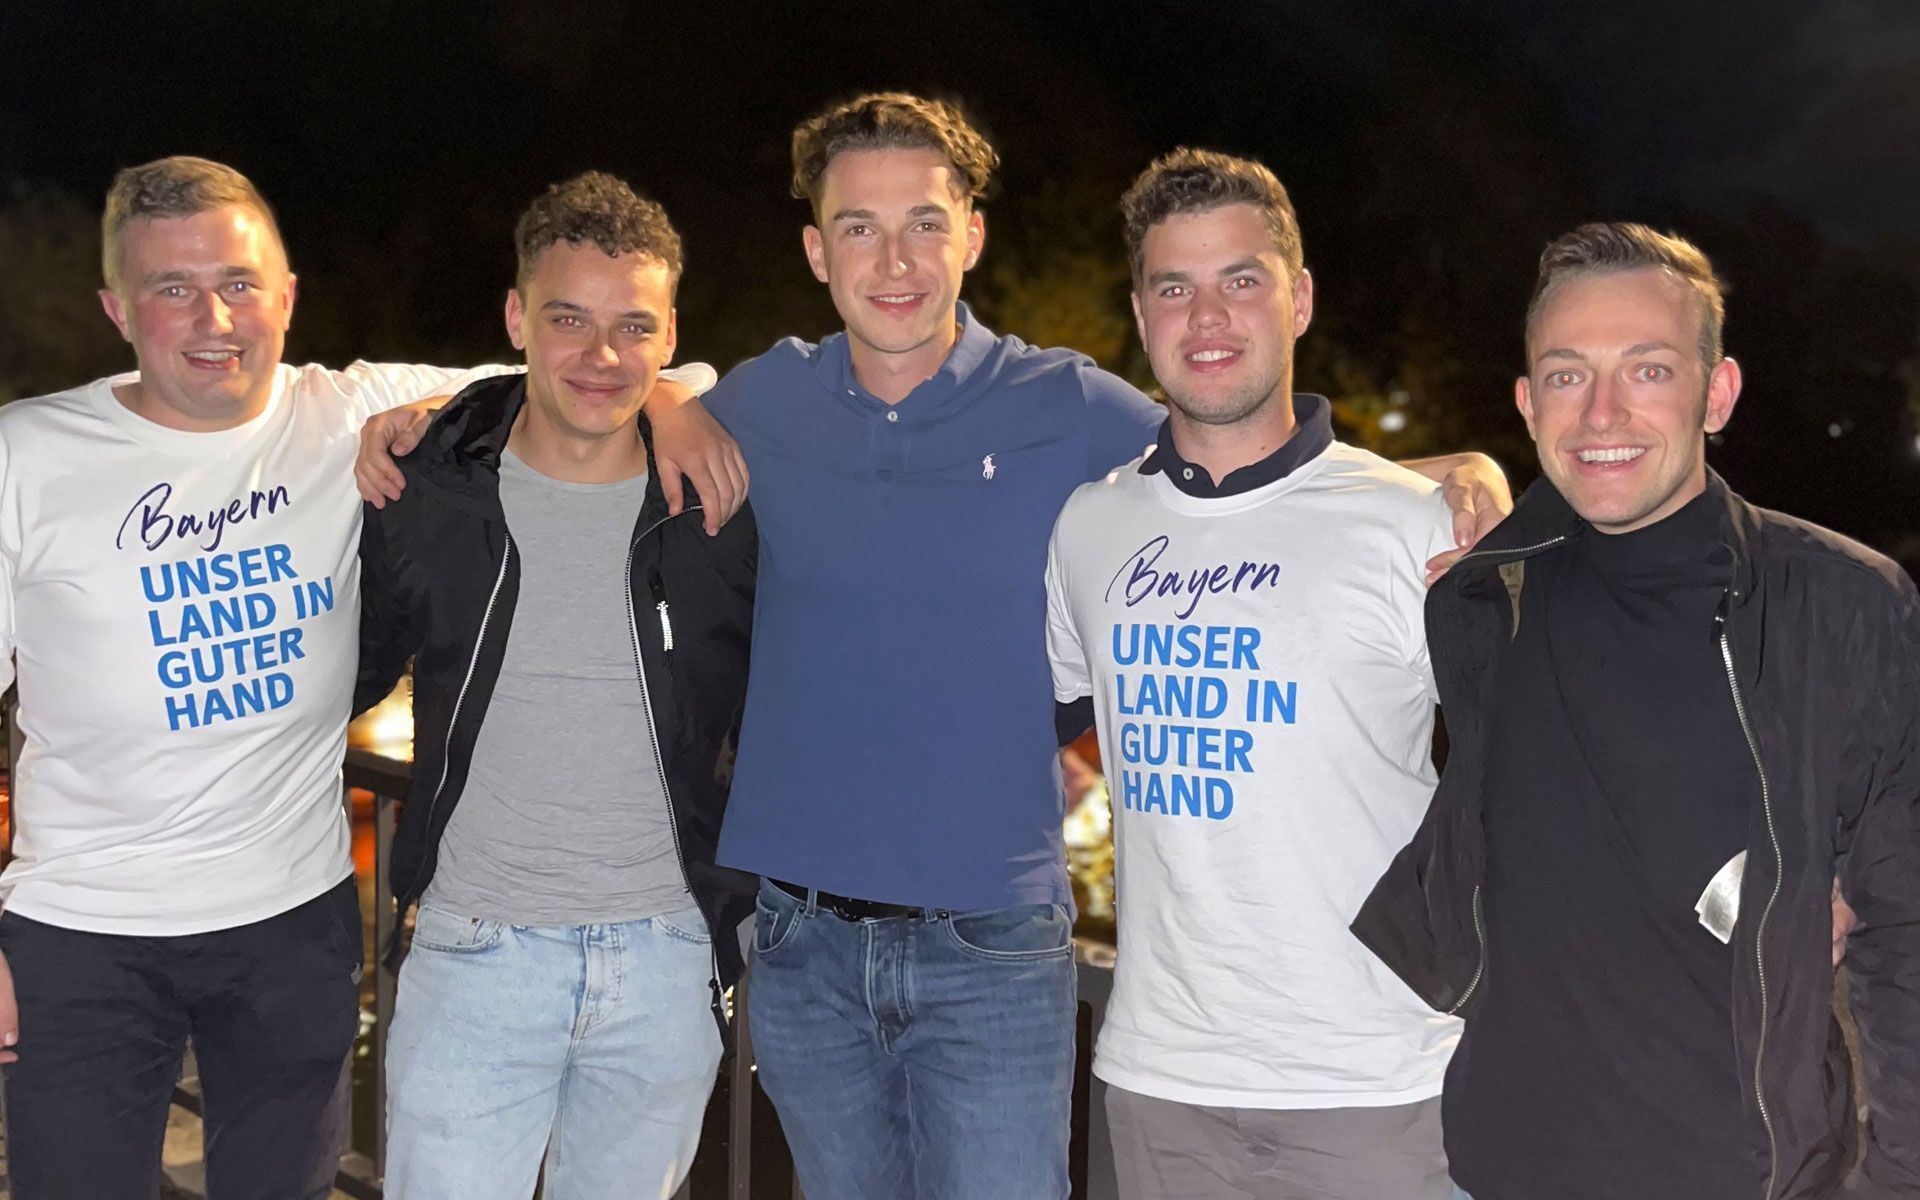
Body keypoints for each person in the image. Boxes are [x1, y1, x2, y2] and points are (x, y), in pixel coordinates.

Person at [357, 92, 1508, 1199]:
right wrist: (486, 413)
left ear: (973, 237)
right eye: (860, 228)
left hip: (994, 951)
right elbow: (598, 381)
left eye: (923, 222)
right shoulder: (758, 403)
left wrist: (1446, 473)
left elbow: (1239, 458)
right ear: (818, 252)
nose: (895, 260)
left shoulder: (1067, 407)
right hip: (799, 944)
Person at [0, 155, 732, 1200]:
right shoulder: (28, 456)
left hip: (292, 926)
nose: (215, 318)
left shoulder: (348, 407)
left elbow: (587, 366)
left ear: (287, 297)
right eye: (173, 288)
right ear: (118, 308)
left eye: (240, 283)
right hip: (84, 935)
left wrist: (670, 398)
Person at [1355, 223, 1920, 1200]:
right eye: (1567, 375)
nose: (1601, 412)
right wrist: (1464, 470)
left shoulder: (1843, 606)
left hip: (1746, 1179)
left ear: (1718, 393)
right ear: (1528, 403)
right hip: (1498, 1169)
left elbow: (1903, 930)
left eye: (1648, 370)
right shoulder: (1489, 597)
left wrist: (1899, 1177)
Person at [1046, 148, 1460, 1200]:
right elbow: (1040, 727)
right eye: (1173, 288)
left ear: (1299, 299)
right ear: (1140, 317)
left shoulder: (1414, 524)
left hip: (1378, 1082)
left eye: (1241, 280)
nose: (1207, 317)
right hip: (1162, 1083)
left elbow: (1539, 764)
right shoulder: (1089, 528)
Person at [355, 171, 757, 1200]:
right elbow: (336, 677)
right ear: (515, 320)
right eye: (568, 319)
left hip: (666, 963)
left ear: (670, 337)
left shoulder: (719, 506)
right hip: (474, 957)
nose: (602, 356)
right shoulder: (427, 490)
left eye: (634, 327)